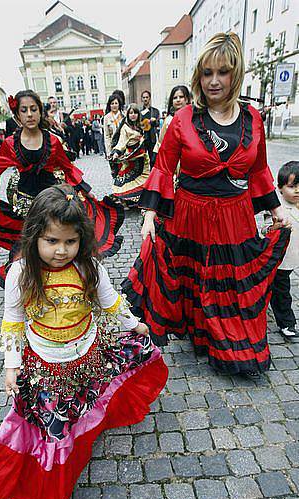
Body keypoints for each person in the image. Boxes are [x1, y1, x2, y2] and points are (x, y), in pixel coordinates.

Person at [0, 184, 167, 499]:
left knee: (85, 399)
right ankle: (54, 483)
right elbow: (13, 320)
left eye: (70, 241)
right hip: (46, 364)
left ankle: (86, 430)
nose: (61, 250)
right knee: (56, 425)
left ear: (81, 239)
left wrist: (134, 324)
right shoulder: (21, 273)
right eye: (52, 241)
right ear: (34, 238)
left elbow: (110, 301)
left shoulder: (89, 266)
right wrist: (11, 365)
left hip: (87, 352)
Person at [122, 32, 291, 378]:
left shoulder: (252, 118)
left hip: (235, 215)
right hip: (191, 212)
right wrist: (150, 215)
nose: (214, 81)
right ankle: (201, 335)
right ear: (199, 76)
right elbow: (164, 168)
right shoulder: (183, 119)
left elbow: (258, 170)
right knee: (196, 276)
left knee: (230, 280)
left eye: (223, 73)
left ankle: (226, 340)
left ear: (236, 74)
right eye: (207, 73)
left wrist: (277, 211)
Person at [0, 90, 125, 286]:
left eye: (33, 109)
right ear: (17, 115)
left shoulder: (52, 140)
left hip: (52, 197)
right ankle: (34, 281)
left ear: (40, 112)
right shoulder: (10, 144)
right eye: (24, 110)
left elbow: (67, 168)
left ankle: (65, 278)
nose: (29, 114)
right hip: (25, 201)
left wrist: (85, 190)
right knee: (32, 239)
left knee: (56, 235)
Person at [269, 161, 299, 341]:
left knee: (276, 287)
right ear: (280, 188)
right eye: (292, 186)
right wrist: (273, 228)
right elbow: (264, 230)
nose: (297, 190)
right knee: (281, 291)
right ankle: (287, 323)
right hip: (279, 260)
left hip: (292, 259)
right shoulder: (276, 208)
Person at [110, 104, 149, 206]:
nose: (133, 115)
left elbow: (149, 133)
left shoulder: (142, 125)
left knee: (145, 177)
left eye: (135, 112)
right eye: (131, 113)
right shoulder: (125, 127)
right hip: (131, 156)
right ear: (128, 114)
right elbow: (121, 142)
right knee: (127, 179)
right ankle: (125, 200)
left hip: (142, 156)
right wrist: (116, 152)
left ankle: (142, 199)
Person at [154, 85, 191, 154]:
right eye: (175, 98)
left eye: (181, 97)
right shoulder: (168, 120)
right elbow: (161, 142)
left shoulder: (194, 118)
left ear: (187, 99)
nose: (178, 100)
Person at [140, 90, 160, 168]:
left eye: (147, 97)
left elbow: (158, 123)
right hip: (143, 138)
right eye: (144, 97)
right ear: (141, 99)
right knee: (142, 159)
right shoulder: (139, 112)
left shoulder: (155, 111)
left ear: (150, 98)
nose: (145, 99)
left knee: (153, 159)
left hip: (152, 138)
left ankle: (153, 176)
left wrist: (154, 121)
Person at [103, 93, 124, 158]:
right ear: (109, 105)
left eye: (116, 103)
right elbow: (106, 136)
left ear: (119, 104)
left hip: (123, 146)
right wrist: (108, 152)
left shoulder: (124, 115)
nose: (114, 105)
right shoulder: (106, 117)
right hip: (113, 146)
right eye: (112, 103)